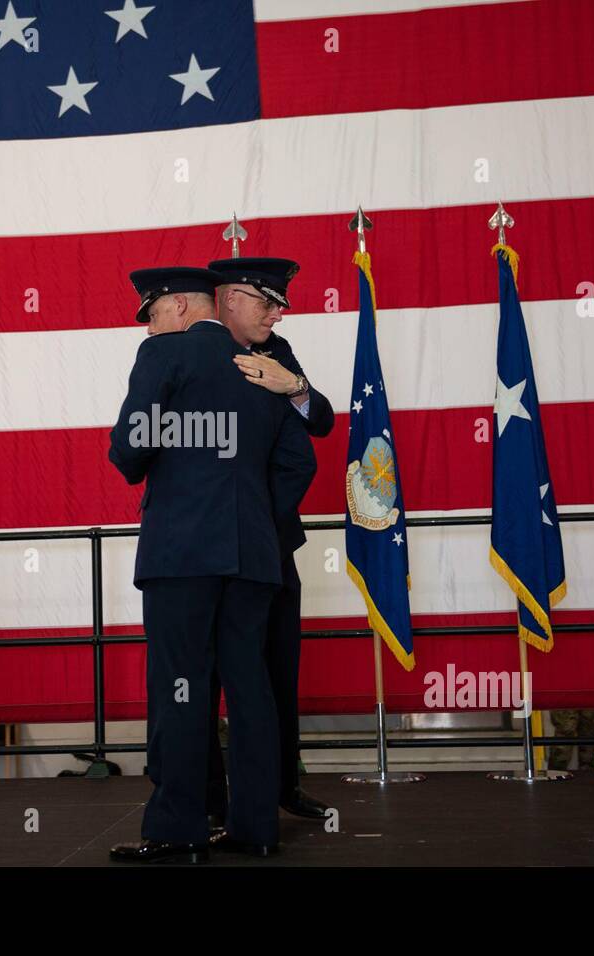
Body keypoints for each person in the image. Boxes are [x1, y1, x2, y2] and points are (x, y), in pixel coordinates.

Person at [108, 266, 317, 863]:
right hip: (252, 554)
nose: (147, 329)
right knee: (249, 687)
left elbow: (130, 451)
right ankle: (255, 829)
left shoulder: (164, 355)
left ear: (175, 309)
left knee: (179, 685)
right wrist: (250, 519)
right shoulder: (267, 368)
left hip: (182, 553)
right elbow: (299, 464)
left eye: (149, 316)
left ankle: (179, 826)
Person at [204, 256, 335, 826]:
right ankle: (209, 798)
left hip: (272, 541)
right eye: (267, 302)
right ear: (231, 298)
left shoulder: (277, 353)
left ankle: (283, 785)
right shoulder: (193, 349)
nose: (278, 314)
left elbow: (322, 422)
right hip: (210, 543)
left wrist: (296, 387)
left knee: (279, 666)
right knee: (205, 676)